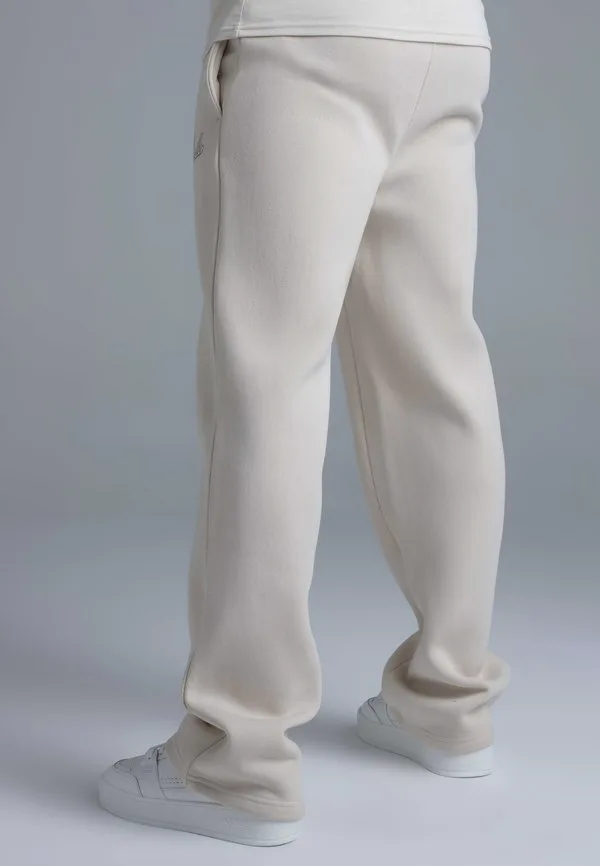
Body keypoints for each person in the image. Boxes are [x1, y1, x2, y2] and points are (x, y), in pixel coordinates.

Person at [98, 0, 510, 847]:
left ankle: (235, 761)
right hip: (448, 35)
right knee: (438, 372)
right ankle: (448, 701)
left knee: (270, 377)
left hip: (304, 31)